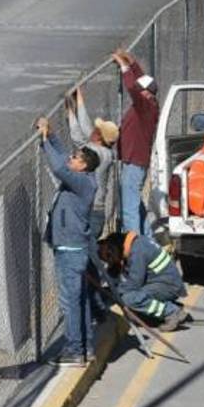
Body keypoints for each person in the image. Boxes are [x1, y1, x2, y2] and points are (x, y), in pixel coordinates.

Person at [37, 116, 101, 367]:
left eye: (76, 158)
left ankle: (74, 350)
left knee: (69, 302)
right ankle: (85, 346)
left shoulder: (81, 182)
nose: (71, 159)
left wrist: (44, 140)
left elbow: (59, 167)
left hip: (70, 251)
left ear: (83, 166)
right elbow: (63, 159)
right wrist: (51, 135)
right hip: (72, 249)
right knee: (79, 300)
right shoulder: (79, 177)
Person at [65, 87, 119, 279]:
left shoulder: (98, 154)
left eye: (98, 130)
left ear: (100, 137)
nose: (94, 129)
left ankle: (94, 298)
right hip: (94, 211)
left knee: (85, 260)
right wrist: (79, 99)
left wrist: (69, 111)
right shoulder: (103, 149)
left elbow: (79, 137)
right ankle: (94, 295)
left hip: (91, 213)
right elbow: (87, 129)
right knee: (88, 259)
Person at [97, 231, 190, 332]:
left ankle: (171, 312)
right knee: (132, 306)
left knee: (129, 299)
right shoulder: (135, 244)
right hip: (164, 282)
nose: (110, 262)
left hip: (168, 286)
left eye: (109, 258)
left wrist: (115, 292)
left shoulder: (137, 251)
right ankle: (171, 307)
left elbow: (133, 284)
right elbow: (120, 273)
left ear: (113, 249)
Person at [112, 50, 159, 238]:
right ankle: (149, 241)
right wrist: (132, 62)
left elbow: (133, 87)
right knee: (135, 205)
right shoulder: (149, 102)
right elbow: (140, 81)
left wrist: (123, 67)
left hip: (134, 164)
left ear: (146, 93)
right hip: (135, 162)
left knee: (129, 211)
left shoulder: (145, 106)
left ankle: (134, 246)